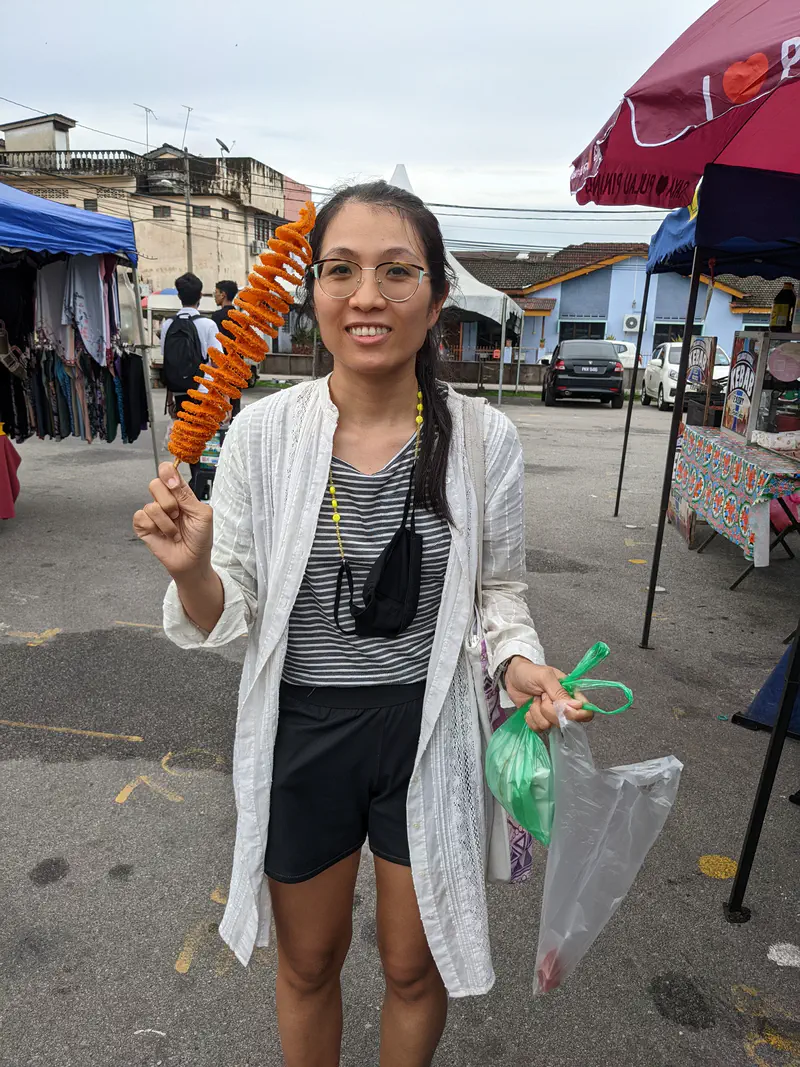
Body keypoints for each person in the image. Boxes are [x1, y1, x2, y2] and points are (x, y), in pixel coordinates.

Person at [133, 181, 591, 1067]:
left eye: (396, 272)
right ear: (311, 295)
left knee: (415, 967)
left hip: (427, 728)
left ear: (437, 297)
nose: (367, 296)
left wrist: (521, 666)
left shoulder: (484, 439)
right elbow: (225, 604)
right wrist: (194, 569)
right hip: (304, 726)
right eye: (340, 270)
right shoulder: (262, 435)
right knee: (308, 961)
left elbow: (499, 593)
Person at [161, 272, 220, 494]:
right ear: (200, 296)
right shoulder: (207, 324)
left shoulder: (168, 325)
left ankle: (192, 480)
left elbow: (165, 358)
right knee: (204, 439)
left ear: (179, 296)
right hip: (203, 392)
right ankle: (199, 483)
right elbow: (217, 362)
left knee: (186, 438)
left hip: (179, 391)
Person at [212, 280, 243, 417]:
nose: (214, 295)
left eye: (216, 292)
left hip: (221, 366)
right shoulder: (240, 317)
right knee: (234, 403)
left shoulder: (217, 317)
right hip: (237, 366)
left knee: (219, 405)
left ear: (223, 294)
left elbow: (214, 343)